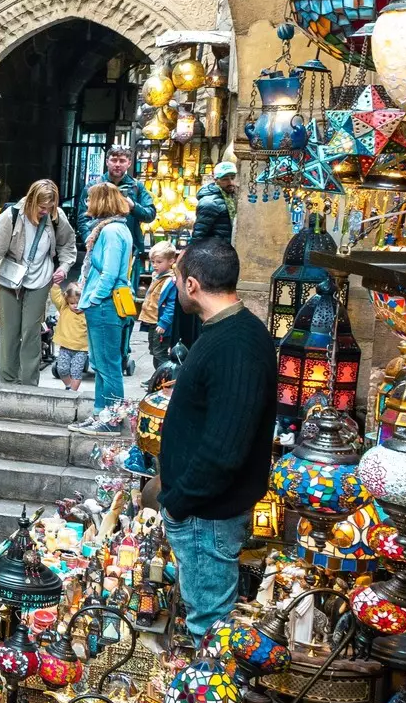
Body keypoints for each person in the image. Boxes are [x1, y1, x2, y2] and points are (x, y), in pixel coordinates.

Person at [156, 239, 274, 638]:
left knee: (208, 631)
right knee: (204, 622)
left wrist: (178, 502)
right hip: (202, 511)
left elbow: (225, 449)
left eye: (175, 276)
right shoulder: (227, 332)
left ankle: (210, 698)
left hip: (206, 515)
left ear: (191, 285)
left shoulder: (236, 345)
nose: (174, 285)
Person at [0, 179, 77, 386]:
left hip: (40, 279)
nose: (45, 212)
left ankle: (30, 384)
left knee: (31, 332)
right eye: (42, 208)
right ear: (32, 201)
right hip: (9, 280)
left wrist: (64, 267)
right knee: (10, 332)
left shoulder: (57, 218)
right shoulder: (11, 217)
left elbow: (68, 245)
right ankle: (8, 381)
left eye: (49, 208)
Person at [71, 182, 138, 421]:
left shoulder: (110, 232)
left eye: (90, 199)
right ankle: (101, 413)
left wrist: (93, 298)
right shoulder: (116, 229)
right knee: (102, 363)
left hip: (105, 305)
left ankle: (111, 418)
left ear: (101, 201)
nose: (87, 203)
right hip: (105, 304)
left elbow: (109, 274)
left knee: (107, 365)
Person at [80, 146, 156, 255]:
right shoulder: (94, 186)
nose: (117, 164)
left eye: (122, 161)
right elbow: (83, 218)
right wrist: (90, 240)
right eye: (114, 160)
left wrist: (134, 207)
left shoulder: (136, 186)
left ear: (129, 163)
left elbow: (150, 214)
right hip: (100, 246)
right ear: (107, 162)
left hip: (130, 248)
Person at [138, 240, 179, 383]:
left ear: (171, 261)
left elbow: (171, 305)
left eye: (159, 262)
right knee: (155, 352)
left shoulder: (171, 281)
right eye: (153, 261)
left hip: (159, 324)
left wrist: (164, 322)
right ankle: (158, 377)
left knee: (160, 353)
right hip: (151, 321)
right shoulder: (158, 277)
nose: (154, 265)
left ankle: (167, 379)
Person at [49, 277, 89, 390]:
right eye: (72, 303)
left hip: (81, 349)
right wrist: (56, 285)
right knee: (62, 369)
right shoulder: (64, 308)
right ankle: (68, 386)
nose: (75, 306)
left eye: (78, 303)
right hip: (65, 347)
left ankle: (72, 392)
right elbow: (56, 297)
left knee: (76, 372)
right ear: (67, 301)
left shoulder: (87, 313)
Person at [190, 161, 238, 246]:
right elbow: (199, 235)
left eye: (233, 178)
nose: (230, 182)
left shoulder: (231, 198)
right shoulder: (209, 203)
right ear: (216, 180)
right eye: (225, 179)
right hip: (215, 251)